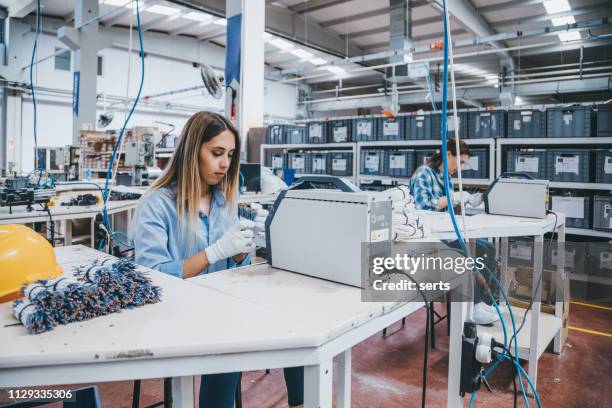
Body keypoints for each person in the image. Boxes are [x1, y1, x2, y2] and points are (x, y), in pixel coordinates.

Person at [132, 111, 304, 408]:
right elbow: (151, 277)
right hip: (174, 314)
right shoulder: (156, 204)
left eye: (230, 154)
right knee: (228, 342)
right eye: (216, 153)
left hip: (221, 308)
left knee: (296, 325)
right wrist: (214, 252)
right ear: (191, 150)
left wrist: (240, 252)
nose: (225, 163)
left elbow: (232, 269)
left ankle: (301, 402)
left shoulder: (225, 200)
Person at [409, 140, 499, 325]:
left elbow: (447, 208)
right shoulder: (423, 174)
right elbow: (423, 206)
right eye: (460, 162)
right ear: (448, 154)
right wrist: (455, 197)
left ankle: (482, 303)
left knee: (488, 248)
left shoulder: (446, 177)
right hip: (429, 241)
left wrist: (468, 199)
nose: (461, 167)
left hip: (446, 234)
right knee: (470, 254)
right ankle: (472, 307)